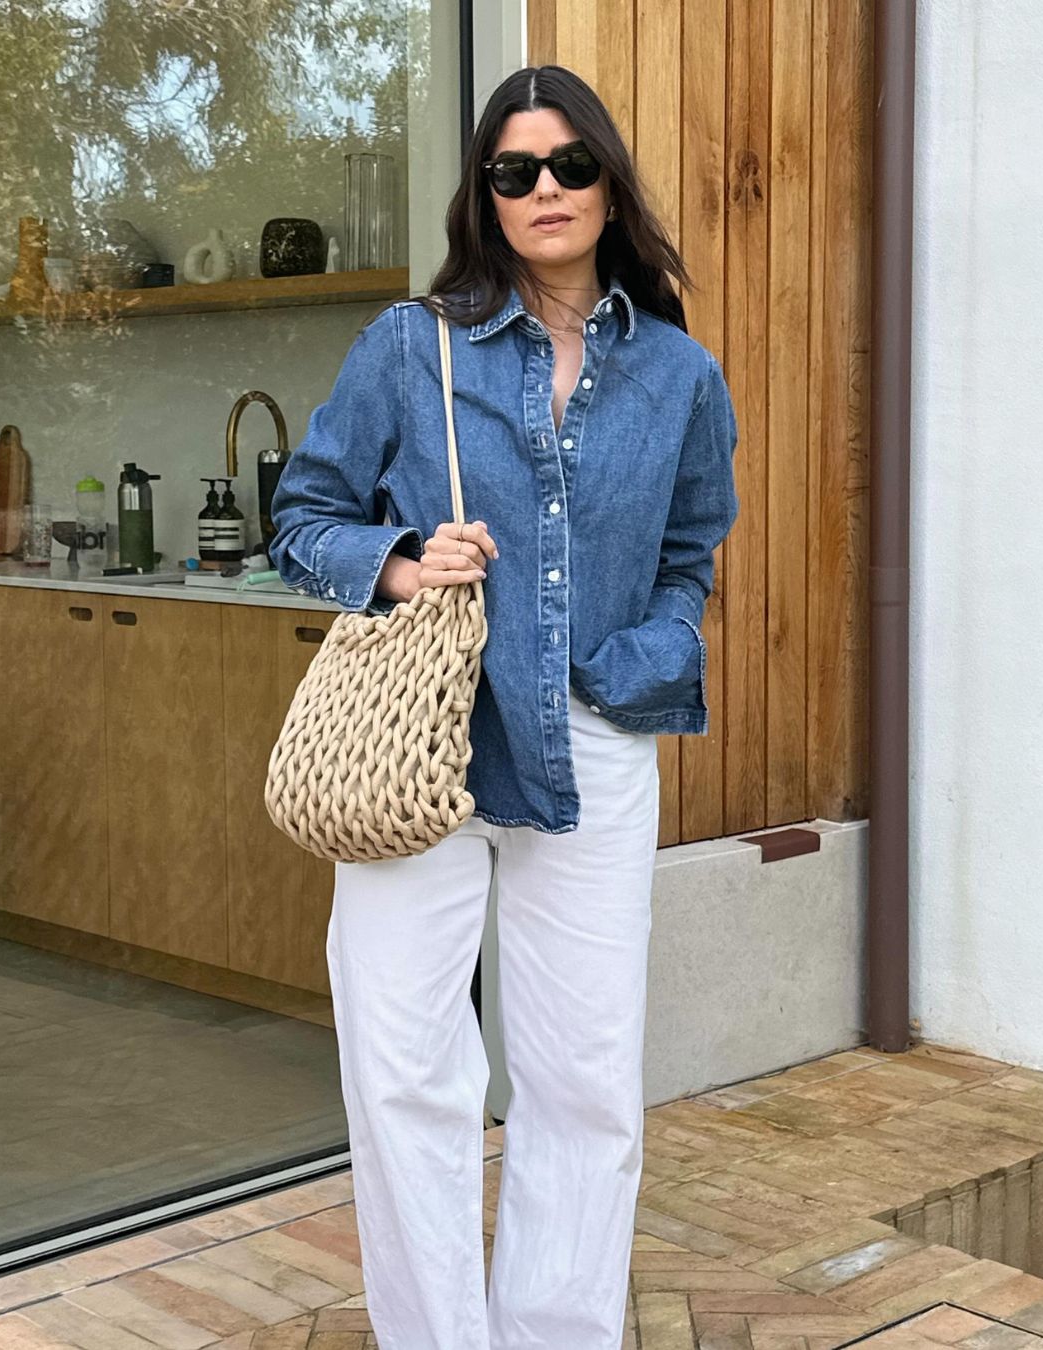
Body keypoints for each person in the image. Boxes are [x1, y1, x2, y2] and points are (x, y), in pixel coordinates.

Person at [268, 62, 740, 1350]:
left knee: (584, 1079)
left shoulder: (679, 376)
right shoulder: (408, 347)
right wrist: (403, 563)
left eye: (571, 165)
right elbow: (302, 515)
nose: (546, 189)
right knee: (408, 1070)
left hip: (591, 740)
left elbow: (691, 553)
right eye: (514, 170)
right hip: (422, 738)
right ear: (485, 196)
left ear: (609, 185)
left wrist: (651, 651)